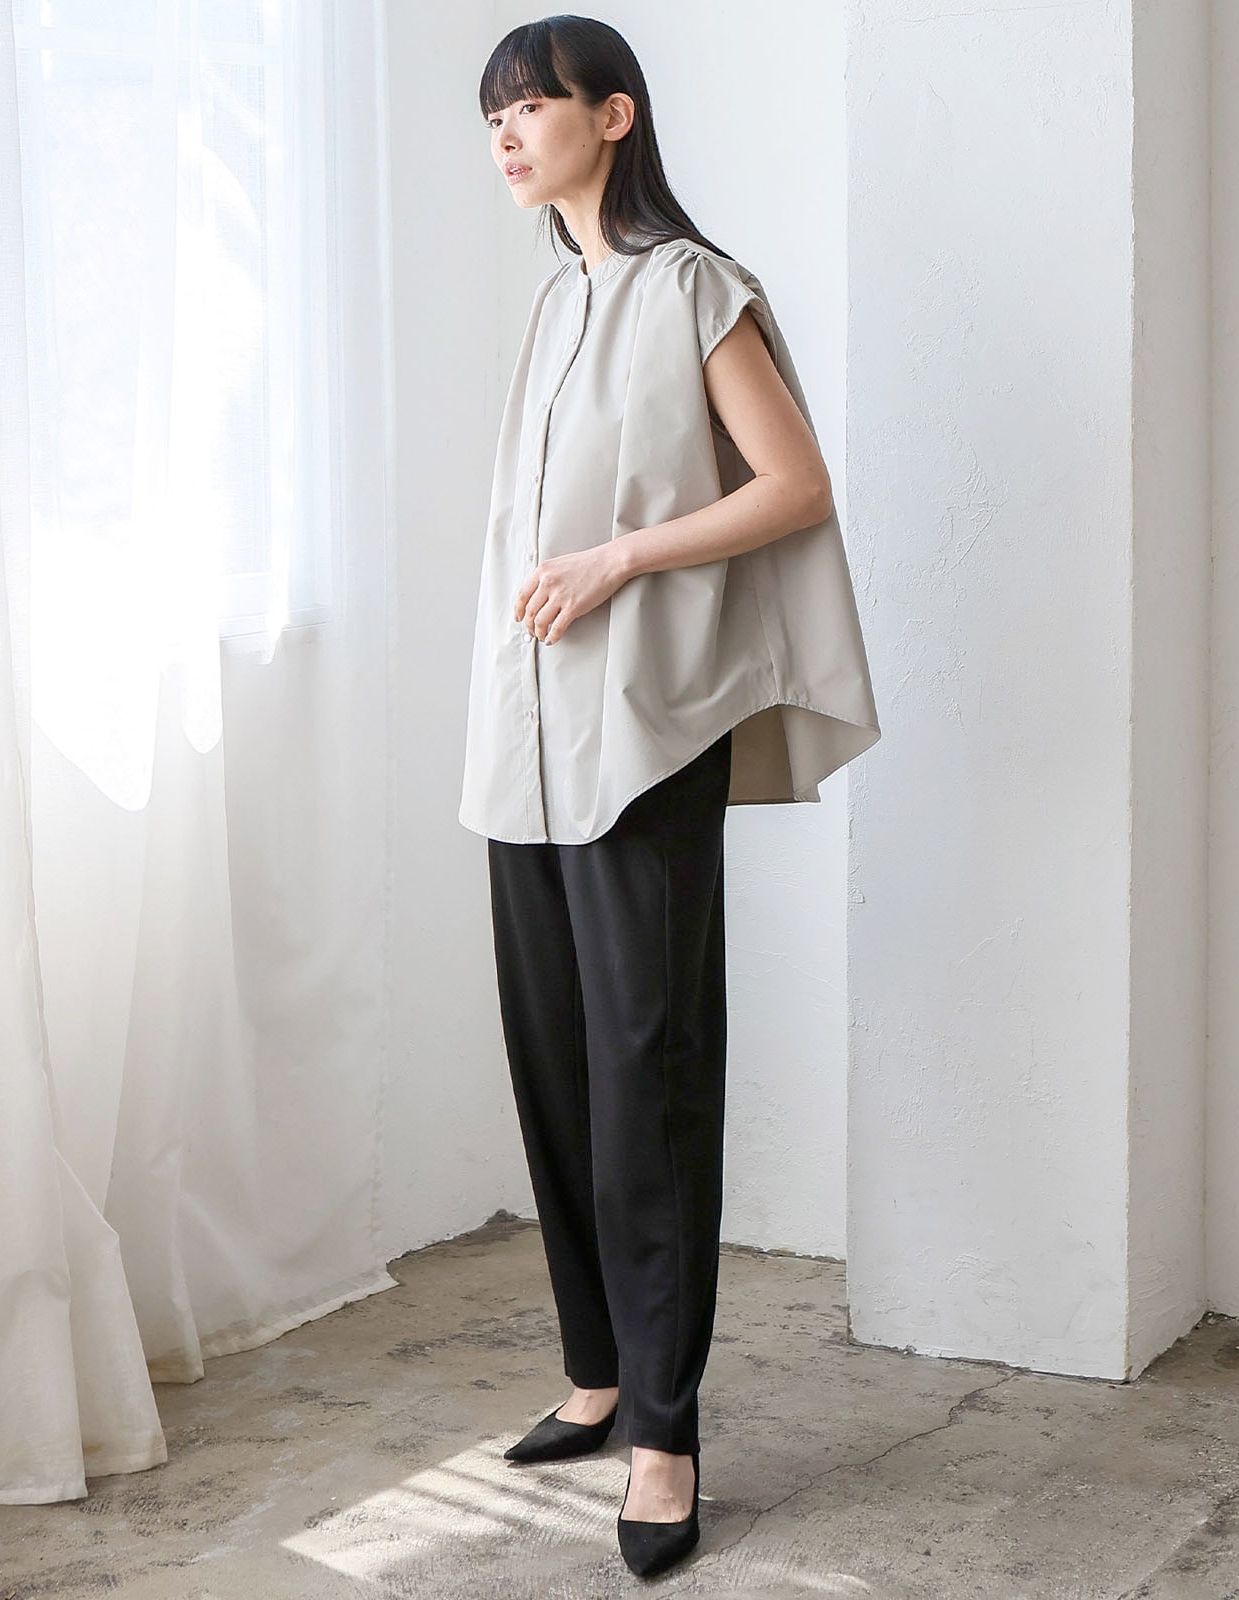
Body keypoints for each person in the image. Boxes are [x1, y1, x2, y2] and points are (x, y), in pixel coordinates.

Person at [459, 13, 880, 1580]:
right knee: (555, 1062)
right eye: (491, 117)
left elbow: (794, 483)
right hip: (521, 741)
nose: (506, 136)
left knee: (648, 1072)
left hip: (640, 735)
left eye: (530, 106)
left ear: (614, 115)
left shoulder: (690, 286)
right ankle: (596, 1372)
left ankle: (664, 1435)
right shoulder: (553, 298)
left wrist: (620, 559)